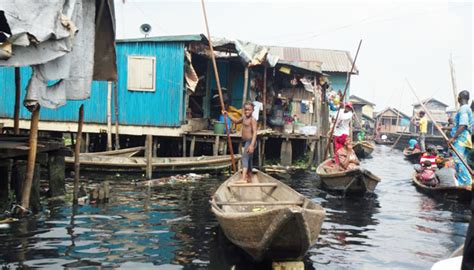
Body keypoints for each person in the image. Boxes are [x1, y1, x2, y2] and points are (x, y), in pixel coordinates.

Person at [225, 101, 258, 183]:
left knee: (244, 158)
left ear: (253, 110)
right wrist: (227, 114)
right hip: (246, 141)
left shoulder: (253, 120)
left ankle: (243, 179)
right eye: (246, 110)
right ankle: (249, 177)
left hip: (251, 142)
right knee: (249, 160)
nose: (247, 111)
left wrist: (251, 145)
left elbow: (255, 133)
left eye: (249, 110)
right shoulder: (243, 117)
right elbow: (236, 121)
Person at [448, 90, 472, 186]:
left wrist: (453, 138)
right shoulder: (467, 109)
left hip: (461, 139)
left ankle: (465, 182)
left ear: (459, 98)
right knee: (463, 160)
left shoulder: (463, 109)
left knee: (458, 160)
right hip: (464, 138)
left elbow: (463, 125)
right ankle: (465, 180)